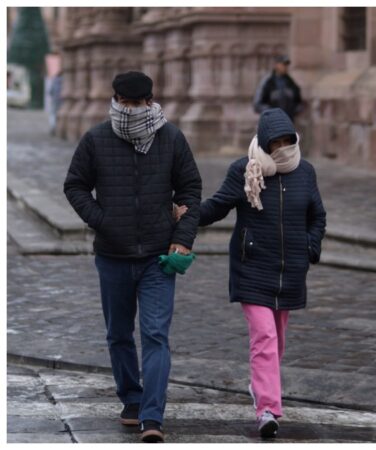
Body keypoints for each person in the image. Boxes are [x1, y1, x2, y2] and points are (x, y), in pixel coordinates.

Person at [63, 71, 202, 443]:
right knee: (118, 334)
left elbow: (190, 189)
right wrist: (102, 221)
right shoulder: (96, 139)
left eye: (137, 104)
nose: (131, 110)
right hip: (112, 255)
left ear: (150, 101)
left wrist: (183, 237)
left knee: (156, 335)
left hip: (158, 257)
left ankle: (152, 417)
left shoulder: (171, 138)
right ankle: (132, 399)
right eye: (124, 103)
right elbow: (74, 185)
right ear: (115, 101)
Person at [178, 108, 326, 439]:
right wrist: (186, 217)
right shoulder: (245, 170)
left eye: (289, 141)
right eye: (277, 143)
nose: (284, 148)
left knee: (277, 341)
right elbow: (216, 207)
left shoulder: (305, 173)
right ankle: (268, 409)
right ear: (265, 142)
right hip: (252, 267)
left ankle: (260, 386)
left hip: (290, 272)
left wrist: (310, 246)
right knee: (265, 338)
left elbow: (317, 216)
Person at [252, 55, 303, 120]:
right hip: (272, 123)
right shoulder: (267, 82)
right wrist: (272, 113)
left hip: (288, 122)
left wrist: (292, 112)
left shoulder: (291, 83)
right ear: (276, 65)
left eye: (286, 65)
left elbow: (298, 102)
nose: (285, 67)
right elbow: (257, 104)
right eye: (283, 64)